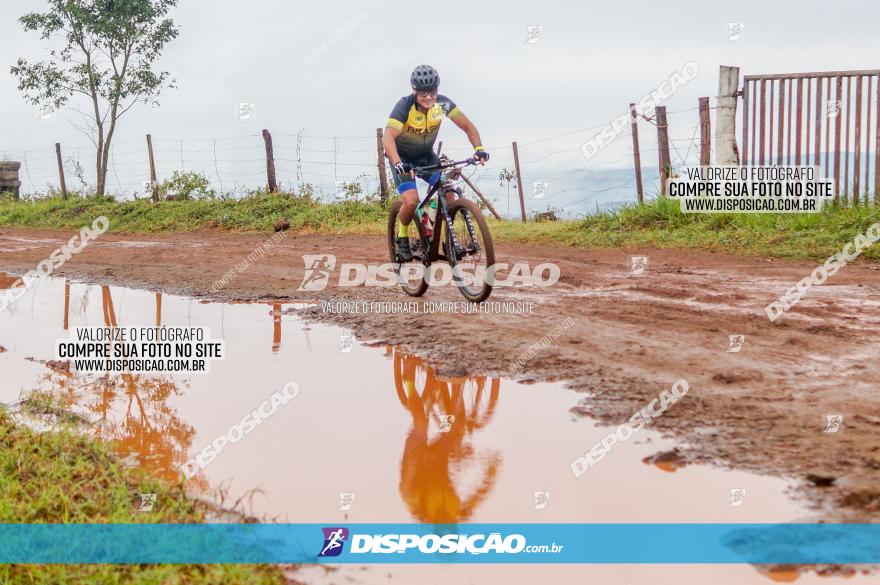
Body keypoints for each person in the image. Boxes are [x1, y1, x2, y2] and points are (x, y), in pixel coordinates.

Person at [383, 65, 489, 261]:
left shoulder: (443, 104)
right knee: (411, 200)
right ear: (414, 90)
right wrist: (397, 163)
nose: (429, 97)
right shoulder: (404, 106)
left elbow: (468, 126)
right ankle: (402, 236)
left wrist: (478, 149)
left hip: (426, 156)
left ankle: (448, 242)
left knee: (449, 194)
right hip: (403, 159)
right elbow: (388, 137)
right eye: (424, 93)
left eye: (432, 92)